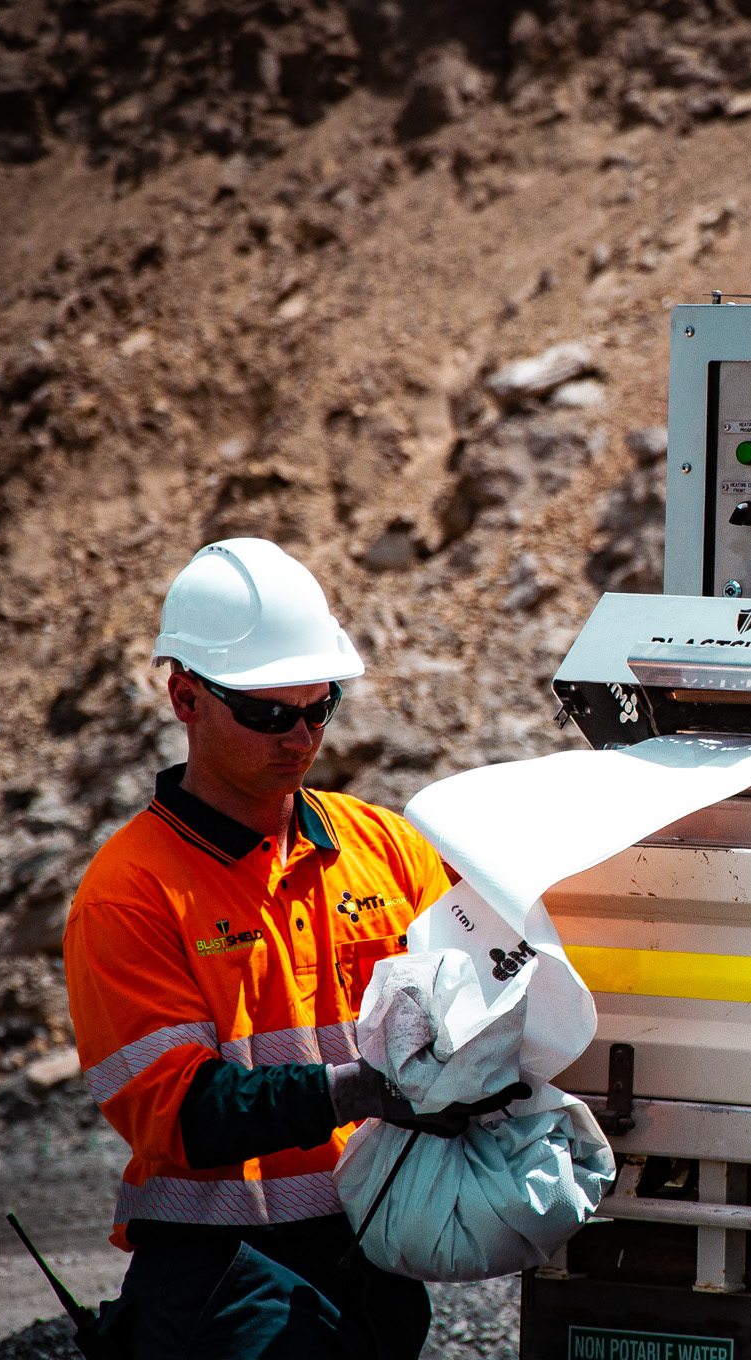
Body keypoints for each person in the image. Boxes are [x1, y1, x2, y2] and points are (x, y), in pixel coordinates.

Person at [65, 538, 488, 1358]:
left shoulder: (383, 847)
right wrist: (361, 1090)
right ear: (184, 697)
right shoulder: (131, 891)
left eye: (319, 705)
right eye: (266, 712)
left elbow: (476, 999)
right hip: (224, 1283)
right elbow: (179, 1114)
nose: (299, 735)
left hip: (373, 1255)